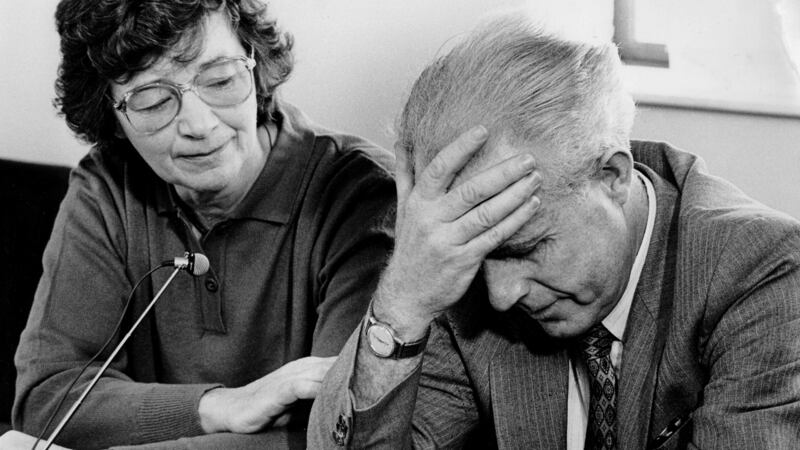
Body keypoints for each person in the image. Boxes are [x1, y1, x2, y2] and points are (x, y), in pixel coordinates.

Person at [308, 17, 800, 449]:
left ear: (612, 176)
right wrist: (404, 300)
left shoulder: (761, 274)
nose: (500, 295)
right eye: (482, 260)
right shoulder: (461, 268)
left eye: (525, 249)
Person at [11, 0, 395, 449]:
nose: (199, 124)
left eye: (220, 79)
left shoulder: (359, 195)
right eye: (153, 101)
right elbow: (48, 399)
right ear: (112, 118)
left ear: (255, 66)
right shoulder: (106, 187)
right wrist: (222, 406)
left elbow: (343, 429)